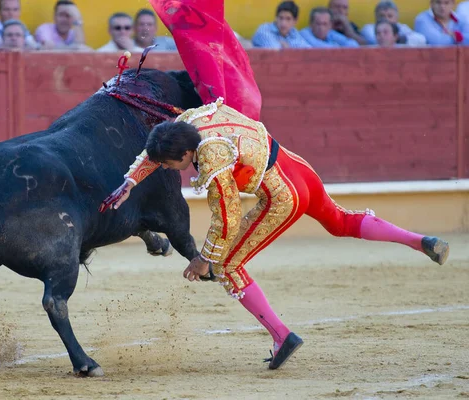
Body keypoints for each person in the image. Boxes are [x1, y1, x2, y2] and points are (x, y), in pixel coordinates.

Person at [100, 0, 450, 371]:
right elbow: (157, 150)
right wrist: (129, 181)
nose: (176, 169)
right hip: (295, 164)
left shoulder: (213, 159)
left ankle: (283, 335)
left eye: (174, 165)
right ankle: (420, 240)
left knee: (228, 265)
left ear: (186, 152)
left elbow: (228, 219)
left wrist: (204, 259)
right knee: (340, 220)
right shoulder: (193, 118)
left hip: (280, 195)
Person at [360, 1, 426, 46]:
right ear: (376, 17)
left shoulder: (402, 28)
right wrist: (393, 38)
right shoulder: (368, 29)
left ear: (396, 18)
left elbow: (421, 40)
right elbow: (376, 41)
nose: (386, 19)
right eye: (382, 16)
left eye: (390, 16)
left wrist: (398, 38)